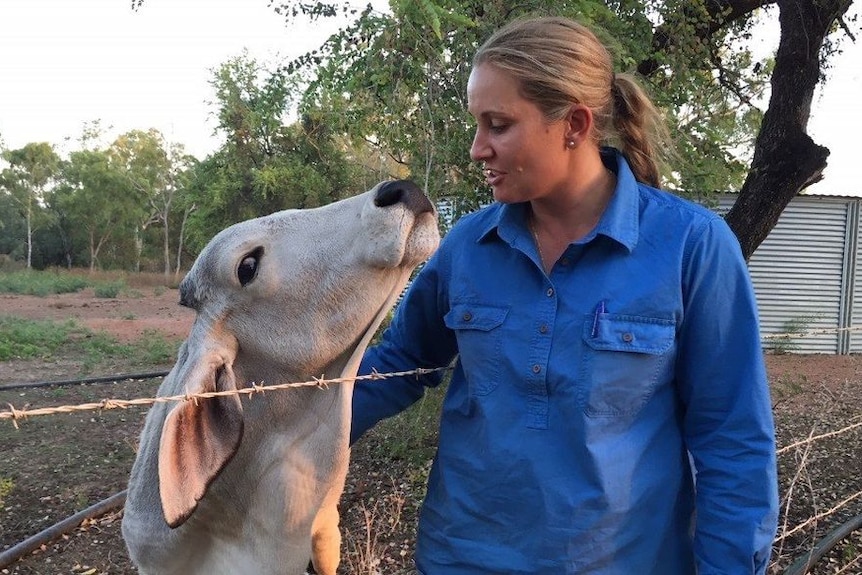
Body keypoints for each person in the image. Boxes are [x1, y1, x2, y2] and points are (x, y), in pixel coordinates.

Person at [350, 15, 779, 574]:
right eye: (477, 124)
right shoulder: (469, 245)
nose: (478, 149)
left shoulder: (690, 247)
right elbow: (401, 363)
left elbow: (733, 439)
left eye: (498, 124)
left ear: (574, 124)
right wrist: (269, 429)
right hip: (462, 558)